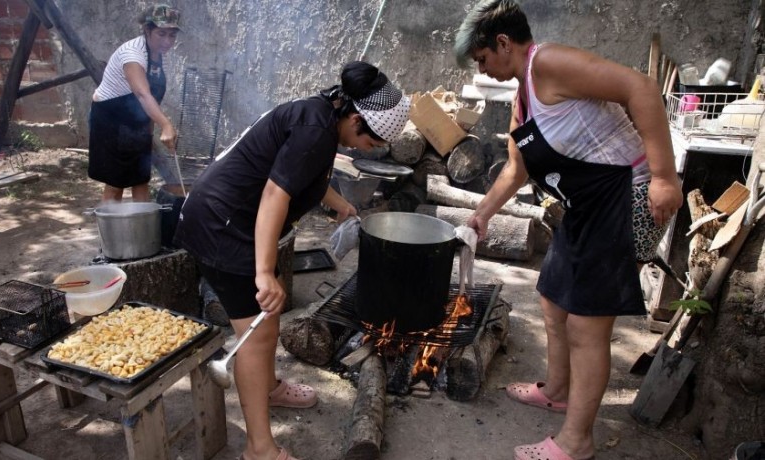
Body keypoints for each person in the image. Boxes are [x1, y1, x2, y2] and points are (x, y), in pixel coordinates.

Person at [453, 1, 683, 459]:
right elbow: (515, 173)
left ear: (503, 43)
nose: (483, 69)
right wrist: (481, 215)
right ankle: (558, 390)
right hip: (585, 205)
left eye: (482, 59)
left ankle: (577, 441)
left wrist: (663, 176)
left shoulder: (550, 63)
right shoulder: (522, 96)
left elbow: (641, 87)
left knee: (586, 324)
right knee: (552, 295)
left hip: (627, 197)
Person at [173, 61, 410, 460]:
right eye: (368, 142)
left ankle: (268, 389)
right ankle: (259, 449)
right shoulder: (317, 130)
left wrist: (339, 203)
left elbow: (305, 175)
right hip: (221, 225)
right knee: (257, 331)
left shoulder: (322, 113)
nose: (364, 149)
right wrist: (264, 273)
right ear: (356, 119)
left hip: (231, 217)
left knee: (265, 322)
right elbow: (274, 195)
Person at [88, 4, 181, 202]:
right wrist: (165, 124)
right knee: (116, 182)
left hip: (135, 119)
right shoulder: (133, 54)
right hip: (110, 120)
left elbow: (152, 96)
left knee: (140, 178)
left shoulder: (156, 53)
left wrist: (148, 129)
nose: (167, 41)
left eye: (172, 35)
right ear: (147, 30)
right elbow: (142, 94)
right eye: (161, 34)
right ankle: (111, 231)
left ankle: (143, 229)